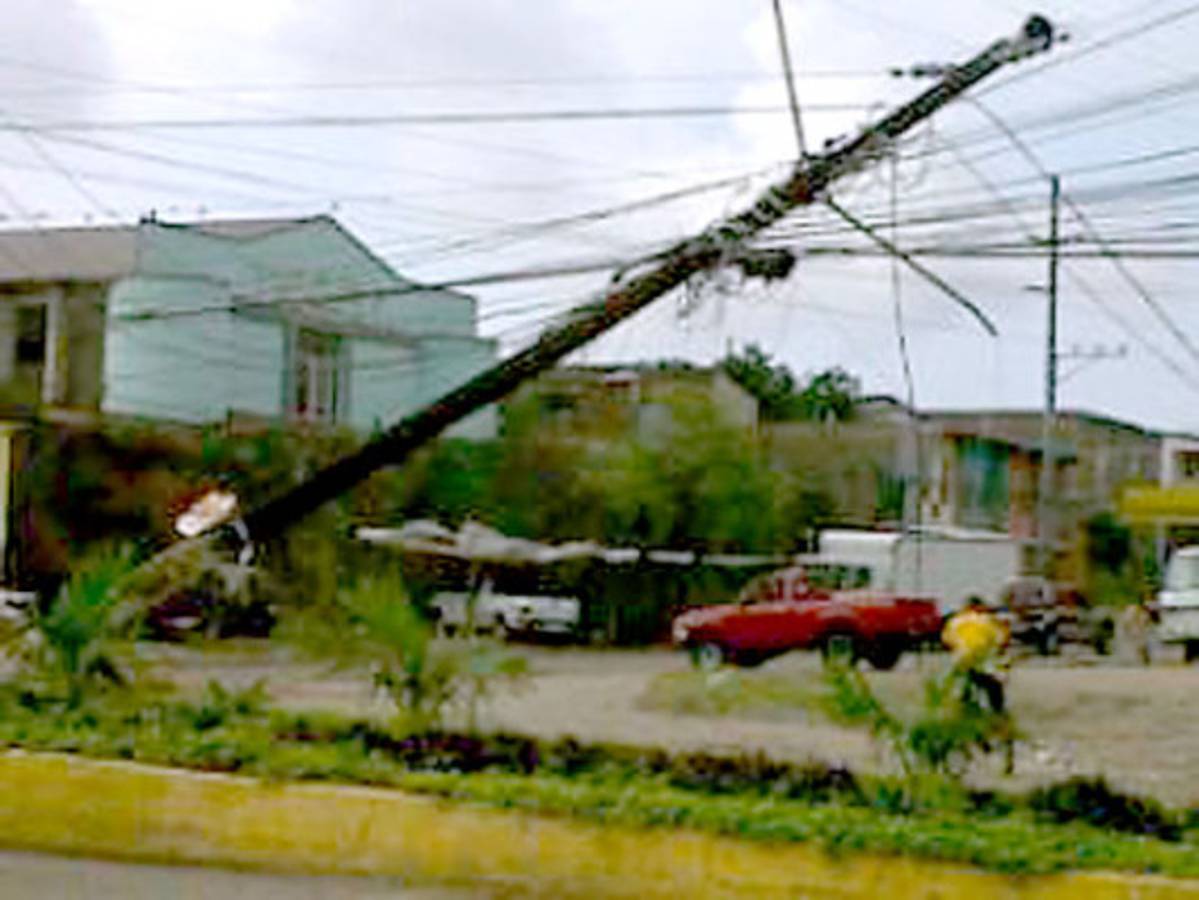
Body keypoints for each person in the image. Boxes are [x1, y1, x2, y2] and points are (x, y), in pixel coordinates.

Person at [942, 596, 1010, 714]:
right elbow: (1001, 641)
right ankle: (998, 710)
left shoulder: (955, 621)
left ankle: (962, 707)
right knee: (994, 685)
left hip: (961, 659)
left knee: (962, 683)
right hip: (984, 659)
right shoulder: (988, 620)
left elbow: (947, 641)